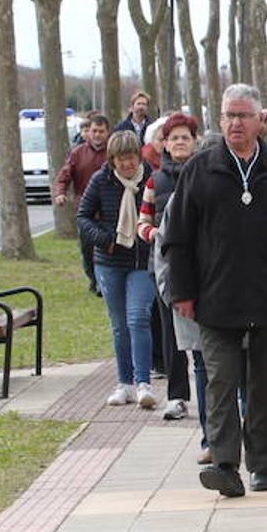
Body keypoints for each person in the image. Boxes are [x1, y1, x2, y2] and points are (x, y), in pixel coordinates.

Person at [162, 84, 267, 497]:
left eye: (242, 115)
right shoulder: (201, 169)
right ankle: (225, 463)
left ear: (259, 121)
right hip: (216, 297)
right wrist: (181, 291)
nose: (234, 123)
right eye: (228, 115)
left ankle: (264, 464)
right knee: (220, 381)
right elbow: (176, 237)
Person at [78, 130, 157, 410]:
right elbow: (83, 217)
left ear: (139, 155)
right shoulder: (101, 181)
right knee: (119, 325)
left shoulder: (151, 179)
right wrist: (107, 238)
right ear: (112, 160)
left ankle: (143, 382)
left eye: (132, 158)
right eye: (121, 160)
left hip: (141, 260)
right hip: (110, 261)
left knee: (138, 317)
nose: (127, 165)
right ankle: (124, 382)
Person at [137, 113, 200, 422]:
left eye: (185, 137)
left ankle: (209, 391)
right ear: (163, 143)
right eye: (173, 138)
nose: (179, 143)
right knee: (171, 335)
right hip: (163, 268)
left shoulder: (204, 175)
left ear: (194, 142)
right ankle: (177, 396)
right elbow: (142, 222)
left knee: (203, 336)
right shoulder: (154, 180)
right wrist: (158, 237)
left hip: (201, 268)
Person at [54, 113, 110, 295]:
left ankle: (104, 283)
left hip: (109, 211)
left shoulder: (113, 153)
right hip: (86, 212)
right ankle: (94, 279)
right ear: (88, 132)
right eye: (94, 131)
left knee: (106, 249)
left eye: (101, 131)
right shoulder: (78, 153)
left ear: (107, 132)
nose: (97, 135)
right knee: (87, 252)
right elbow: (64, 175)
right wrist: (60, 193)